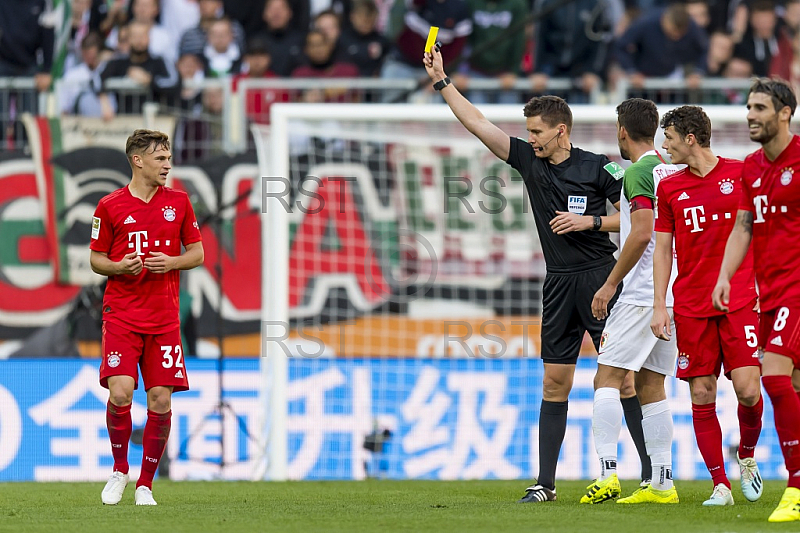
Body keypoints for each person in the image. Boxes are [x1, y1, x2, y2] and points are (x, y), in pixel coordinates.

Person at [423, 43, 655, 504]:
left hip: (600, 278)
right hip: (558, 282)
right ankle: (545, 484)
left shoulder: (600, 168)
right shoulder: (530, 160)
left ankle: (652, 476)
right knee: (555, 381)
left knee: (625, 379)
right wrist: (442, 82)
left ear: (561, 131)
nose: (531, 139)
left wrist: (589, 221)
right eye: (528, 131)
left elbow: (636, 221)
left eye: (538, 132)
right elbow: (479, 125)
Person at [654, 105, 763, 507]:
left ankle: (747, 455)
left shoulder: (740, 174)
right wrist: (658, 305)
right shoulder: (669, 189)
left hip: (739, 300)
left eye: (668, 138)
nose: (664, 146)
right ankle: (720, 485)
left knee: (749, 390)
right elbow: (663, 249)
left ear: (690, 138)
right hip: (690, 305)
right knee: (702, 392)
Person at [90, 129, 204, 506]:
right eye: (160, 158)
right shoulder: (109, 206)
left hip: (164, 319)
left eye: (168, 158)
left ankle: (145, 485)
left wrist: (172, 261)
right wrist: (120, 267)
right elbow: (96, 259)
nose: (167, 164)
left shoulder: (180, 202)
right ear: (138, 160)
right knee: (121, 390)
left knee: (159, 400)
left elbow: (198, 253)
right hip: (121, 313)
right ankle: (120, 470)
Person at [581, 98, 680, 505]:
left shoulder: (637, 171)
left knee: (605, 379)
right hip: (672, 295)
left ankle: (607, 474)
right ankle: (661, 483)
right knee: (651, 384)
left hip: (641, 294)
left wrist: (609, 284)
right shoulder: (673, 168)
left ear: (623, 131)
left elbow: (640, 233)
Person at [713, 78, 800, 523]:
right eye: (748, 107)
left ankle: (797, 486)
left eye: (760, 107)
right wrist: (726, 276)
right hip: (768, 291)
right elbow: (743, 227)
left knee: (775, 378)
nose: (750, 114)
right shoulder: (750, 167)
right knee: (792, 387)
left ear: (784, 113)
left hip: (797, 289)